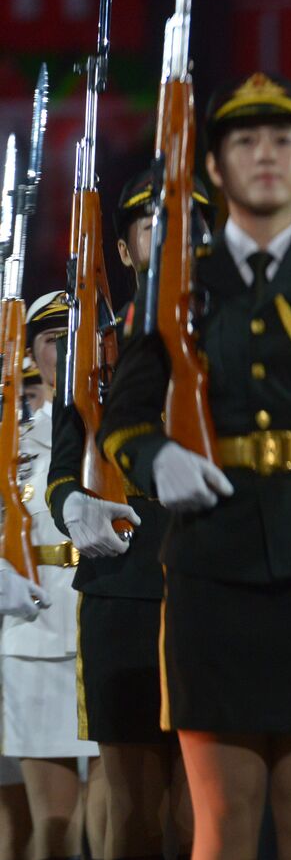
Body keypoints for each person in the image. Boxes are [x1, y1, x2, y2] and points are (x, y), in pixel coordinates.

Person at [97, 71, 291, 860]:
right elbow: (122, 419)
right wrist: (155, 454)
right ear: (214, 171)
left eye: (282, 142)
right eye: (243, 141)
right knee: (223, 824)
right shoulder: (175, 284)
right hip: (211, 569)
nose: (264, 155)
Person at [47, 167, 211, 859]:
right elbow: (60, 473)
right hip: (121, 593)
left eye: (189, 230)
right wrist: (73, 503)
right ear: (122, 250)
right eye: (152, 227)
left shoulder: (234, 341)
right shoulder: (93, 354)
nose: (171, 240)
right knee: (135, 811)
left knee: (203, 810)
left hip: (209, 587)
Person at [2, 293, 100, 859]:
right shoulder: (11, 446)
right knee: (54, 825)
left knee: (127, 814)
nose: (64, 349)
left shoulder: (122, 427)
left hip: (109, 625)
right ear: (34, 354)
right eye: (50, 339)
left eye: (75, 334)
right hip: (37, 639)